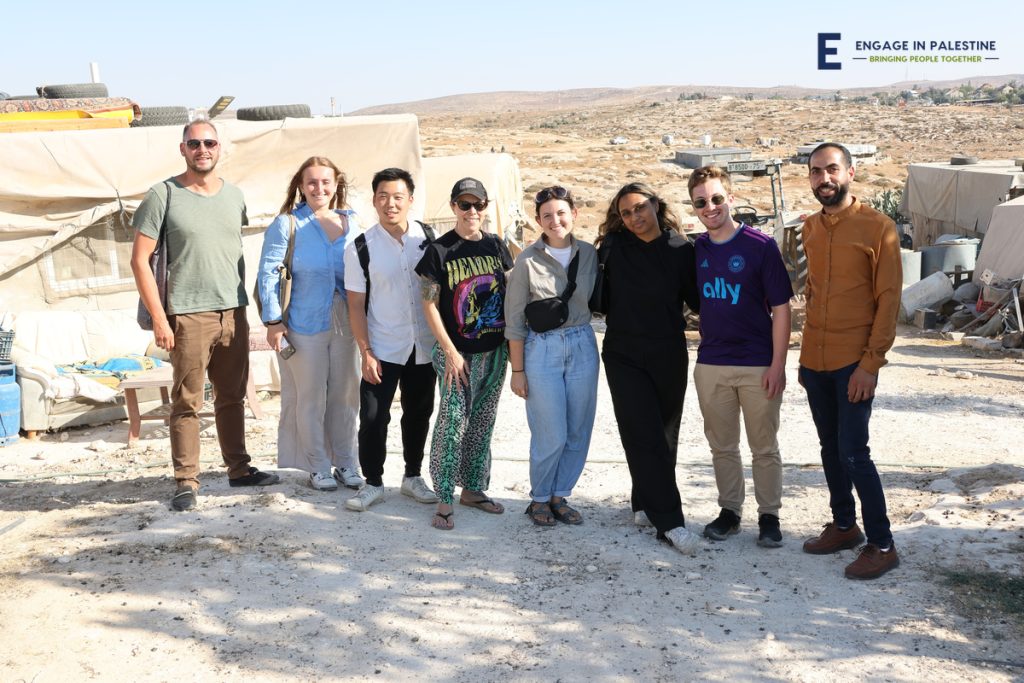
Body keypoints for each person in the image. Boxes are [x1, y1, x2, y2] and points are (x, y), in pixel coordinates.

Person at [131, 119, 279, 512]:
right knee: (187, 402)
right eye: (194, 143)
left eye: (209, 142)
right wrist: (161, 319)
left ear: (219, 147)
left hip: (233, 310)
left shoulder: (235, 197)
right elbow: (139, 261)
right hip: (187, 315)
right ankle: (186, 481)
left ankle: (239, 469)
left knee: (231, 397)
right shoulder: (162, 195)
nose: (202, 149)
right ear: (182, 149)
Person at [800, 142, 902, 580]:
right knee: (829, 449)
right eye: (816, 172)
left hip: (852, 363)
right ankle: (844, 525)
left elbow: (888, 301)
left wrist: (870, 364)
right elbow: (815, 292)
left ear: (850, 173)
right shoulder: (809, 228)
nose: (825, 178)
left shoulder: (880, 229)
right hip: (814, 360)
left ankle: (882, 544)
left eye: (832, 170)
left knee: (854, 452)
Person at [686, 166, 793, 548]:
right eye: (701, 202)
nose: (710, 207)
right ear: (694, 207)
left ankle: (770, 516)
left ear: (730, 198)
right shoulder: (695, 249)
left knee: (764, 445)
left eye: (716, 198)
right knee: (722, 445)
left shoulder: (760, 246)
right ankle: (729, 511)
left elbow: (782, 308)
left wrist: (778, 365)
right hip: (711, 363)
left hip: (757, 363)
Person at [595, 182, 702, 554]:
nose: (634, 217)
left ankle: (643, 500)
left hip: (668, 352)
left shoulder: (681, 250)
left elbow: (699, 302)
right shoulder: (612, 248)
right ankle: (670, 522)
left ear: (655, 205)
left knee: (665, 432)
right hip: (623, 353)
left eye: (640, 207)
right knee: (641, 431)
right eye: (626, 212)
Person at [256, 156, 364, 492]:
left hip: (347, 325)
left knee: (346, 396)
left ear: (336, 184)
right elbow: (268, 273)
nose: (319, 188)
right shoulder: (288, 224)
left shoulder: (353, 222)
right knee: (311, 397)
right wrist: (273, 321)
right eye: (312, 182)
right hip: (304, 324)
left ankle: (347, 463)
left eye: (325, 181)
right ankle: (317, 466)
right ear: (301, 187)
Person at [415, 177, 514, 530]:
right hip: (456, 354)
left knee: (483, 422)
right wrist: (449, 350)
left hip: (494, 351)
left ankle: (473, 489)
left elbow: (512, 292)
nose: (472, 211)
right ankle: (444, 497)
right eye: (464, 204)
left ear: (486, 207)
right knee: (452, 423)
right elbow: (429, 304)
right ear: (454, 206)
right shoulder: (438, 251)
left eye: (478, 205)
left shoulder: (496, 245)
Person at [342, 167, 439, 512]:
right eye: (383, 196)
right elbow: (355, 305)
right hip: (381, 346)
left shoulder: (429, 238)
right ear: (374, 200)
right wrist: (365, 351)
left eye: (398, 196)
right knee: (372, 416)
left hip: (423, 345)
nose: (390, 203)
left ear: (410, 200)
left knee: (419, 412)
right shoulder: (360, 247)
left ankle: (412, 477)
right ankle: (373, 483)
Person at [505, 186, 599, 526]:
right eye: (547, 215)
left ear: (574, 214)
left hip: (582, 344)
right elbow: (514, 320)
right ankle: (540, 497)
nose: (555, 220)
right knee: (550, 432)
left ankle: (561, 495)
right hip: (541, 349)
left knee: (578, 429)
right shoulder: (526, 260)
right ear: (538, 221)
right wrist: (518, 370)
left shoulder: (589, 254)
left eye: (561, 213)